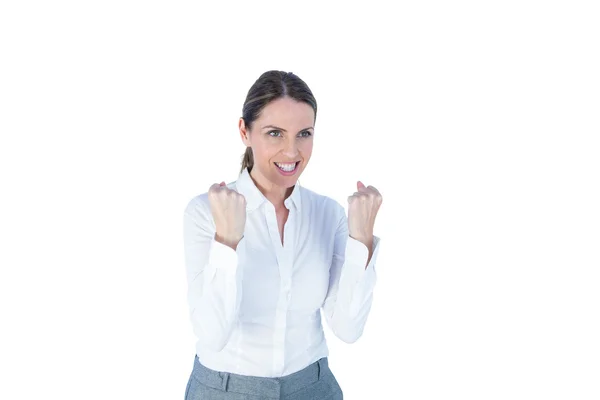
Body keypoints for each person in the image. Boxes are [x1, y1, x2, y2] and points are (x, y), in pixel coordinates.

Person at [182, 70, 383, 399]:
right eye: (275, 133)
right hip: (225, 390)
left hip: (313, 388)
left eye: (304, 133)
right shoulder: (205, 212)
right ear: (244, 131)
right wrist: (227, 242)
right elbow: (212, 334)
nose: (292, 151)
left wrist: (362, 241)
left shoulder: (327, 214)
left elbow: (347, 329)